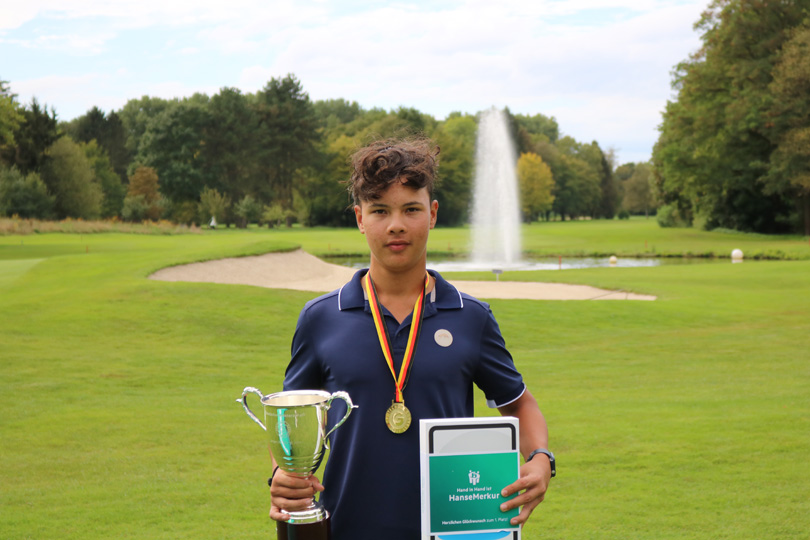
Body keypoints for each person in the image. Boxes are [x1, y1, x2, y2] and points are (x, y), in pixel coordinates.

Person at [269, 138, 553, 540]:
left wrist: (541, 459)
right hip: (348, 529)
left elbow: (519, 404)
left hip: (457, 533)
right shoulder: (321, 318)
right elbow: (290, 422)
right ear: (359, 218)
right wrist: (284, 473)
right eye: (380, 211)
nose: (396, 224)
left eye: (411, 209)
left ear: (432, 214)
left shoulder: (471, 316)